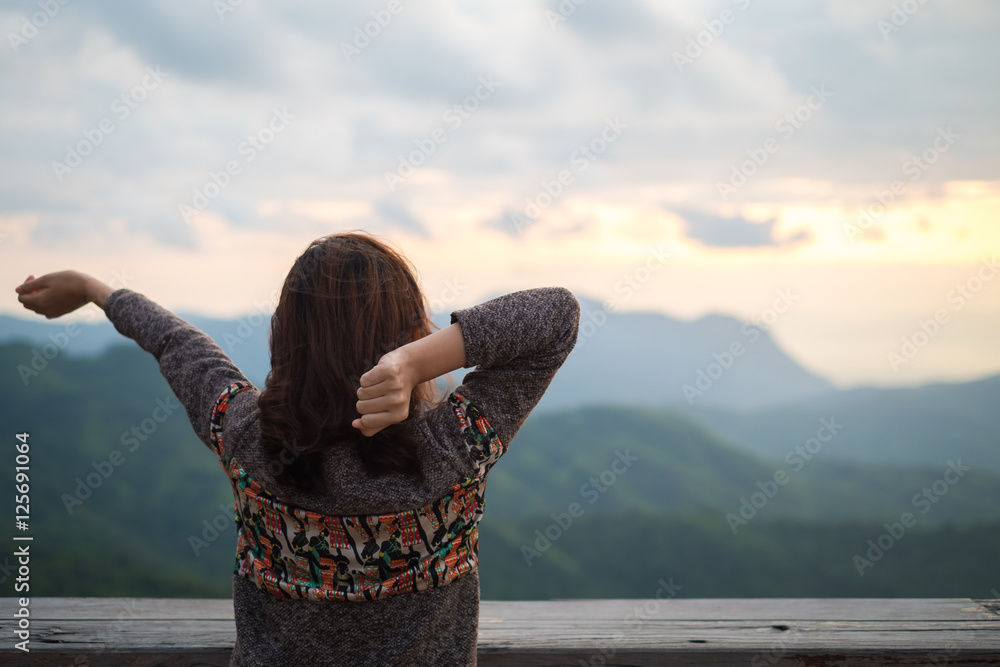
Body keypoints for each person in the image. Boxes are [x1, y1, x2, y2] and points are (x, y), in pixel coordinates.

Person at [14, 231, 580, 667]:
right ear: (412, 330)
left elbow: (175, 343)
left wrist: (94, 289)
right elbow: (557, 315)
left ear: (285, 335)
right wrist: (416, 362)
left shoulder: (245, 437)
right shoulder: (455, 447)